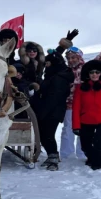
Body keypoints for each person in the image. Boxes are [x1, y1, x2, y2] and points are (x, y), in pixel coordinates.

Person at [60, 33, 101, 160]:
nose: (71, 60)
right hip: (69, 104)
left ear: (79, 57)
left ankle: (82, 153)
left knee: (84, 131)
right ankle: (66, 154)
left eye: (73, 57)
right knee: (68, 129)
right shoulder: (64, 70)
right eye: (69, 58)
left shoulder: (88, 68)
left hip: (87, 104)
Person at [32, 35, 75, 171]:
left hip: (52, 112)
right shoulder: (53, 75)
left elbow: (53, 98)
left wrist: (41, 113)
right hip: (48, 110)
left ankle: (53, 159)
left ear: (54, 64)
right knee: (44, 135)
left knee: (48, 135)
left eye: (48, 64)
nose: (46, 66)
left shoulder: (58, 78)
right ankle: (52, 155)